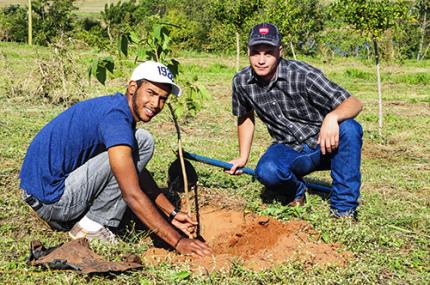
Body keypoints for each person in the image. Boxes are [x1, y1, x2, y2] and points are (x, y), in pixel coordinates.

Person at [20, 61, 212, 256]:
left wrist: (171, 212)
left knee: (135, 148)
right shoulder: (117, 120)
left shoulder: (116, 108)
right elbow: (131, 193)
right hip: (53, 201)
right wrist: (178, 241)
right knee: (143, 141)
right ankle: (91, 228)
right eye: (151, 93)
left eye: (163, 98)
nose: (156, 104)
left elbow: (133, 169)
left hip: (41, 194)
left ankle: (88, 220)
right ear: (132, 87)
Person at [227, 23, 363, 218]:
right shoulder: (241, 82)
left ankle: (343, 210)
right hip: (288, 148)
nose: (261, 60)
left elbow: (354, 103)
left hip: (324, 145)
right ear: (248, 52)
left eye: (269, 52)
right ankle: (298, 191)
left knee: (349, 128)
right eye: (256, 52)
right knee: (267, 171)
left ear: (280, 51)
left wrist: (332, 117)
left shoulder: (302, 75)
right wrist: (242, 156)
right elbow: (245, 115)